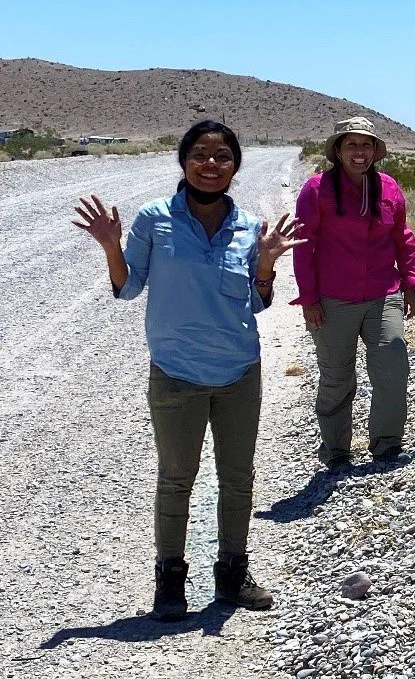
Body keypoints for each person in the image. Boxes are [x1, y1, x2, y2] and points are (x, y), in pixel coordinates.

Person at [72, 120, 301, 621]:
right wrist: (111, 246)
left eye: (222, 157)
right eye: (200, 154)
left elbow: (258, 304)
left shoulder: (247, 227)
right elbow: (129, 288)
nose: (211, 165)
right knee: (177, 478)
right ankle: (170, 582)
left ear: (235, 166)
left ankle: (233, 575)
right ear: (183, 161)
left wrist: (266, 266)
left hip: (240, 369)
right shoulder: (155, 219)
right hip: (175, 371)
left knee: (238, 478)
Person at [292, 116, 415, 470]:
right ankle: (336, 450)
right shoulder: (316, 189)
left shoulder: (390, 188)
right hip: (333, 299)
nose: (359, 152)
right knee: (336, 376)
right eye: (351, 145)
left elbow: (403, 239)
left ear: (375, 151)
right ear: (338, 150)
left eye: (366, 145)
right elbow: (303, 246)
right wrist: (309, 299)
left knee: (393, 364)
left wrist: (411, 284)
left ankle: (387, 443)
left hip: (383, 293)